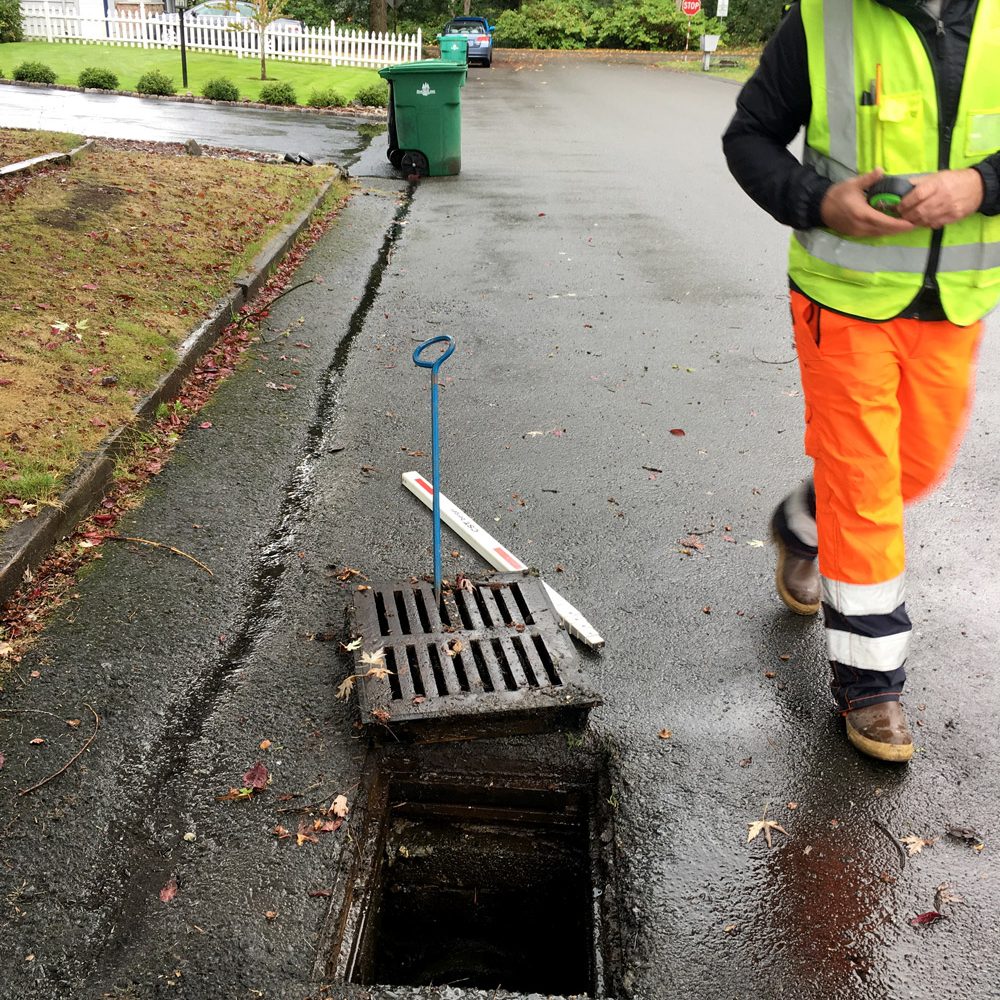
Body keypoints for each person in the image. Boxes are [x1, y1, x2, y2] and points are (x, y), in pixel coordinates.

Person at [722, 0, 1000, 763]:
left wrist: (980, 185)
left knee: (914, 467)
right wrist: (818, 201)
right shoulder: (824, 18)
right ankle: (870, 685)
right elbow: (749, 137)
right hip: (841, 303)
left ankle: (804, 523)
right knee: (867, 485)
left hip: (955, 303)